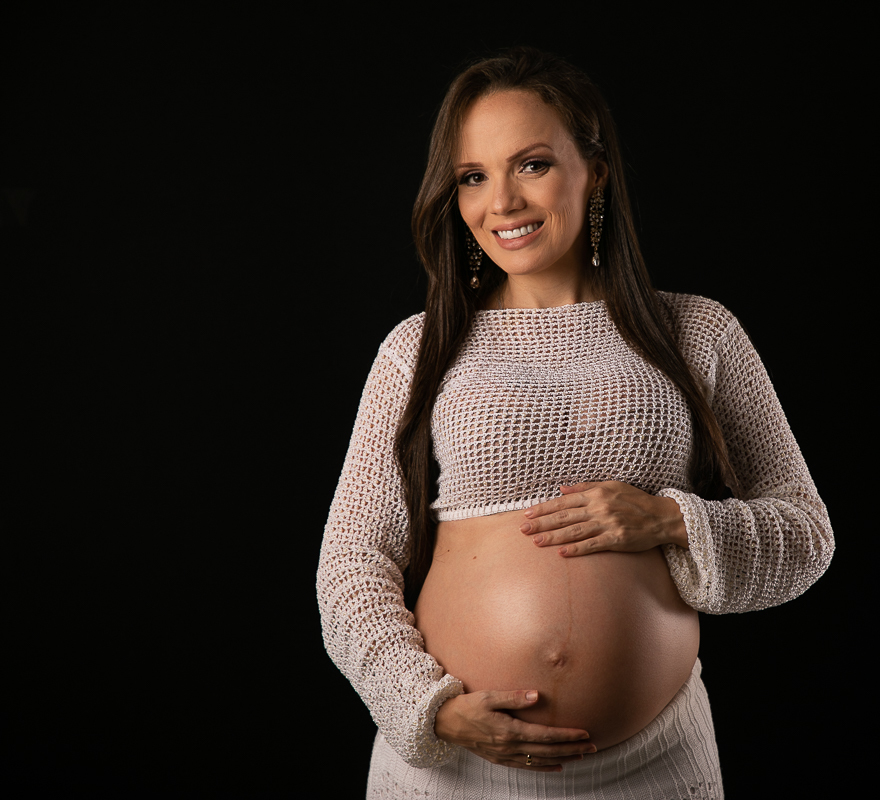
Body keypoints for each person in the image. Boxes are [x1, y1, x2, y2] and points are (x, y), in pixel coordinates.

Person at [317, 47, 834, 799]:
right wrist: (428, 707)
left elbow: (807, 535)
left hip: (657, 766)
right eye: (473, 177)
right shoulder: (419, 349)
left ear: (592, 167)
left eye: (531, 164)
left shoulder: (698, 333)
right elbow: (350, 563)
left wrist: (672, 522)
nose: (502, 203)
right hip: (456, 771)